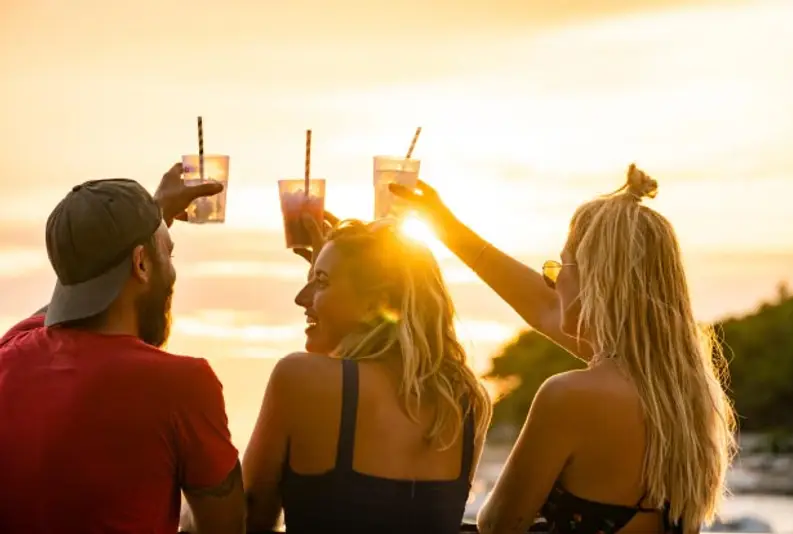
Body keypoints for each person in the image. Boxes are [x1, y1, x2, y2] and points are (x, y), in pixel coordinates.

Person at [391, 165, 737, 534]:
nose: (551, 281)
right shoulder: (686, 394)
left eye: (560, 265)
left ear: (594, 281)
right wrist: (443, 225)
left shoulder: (572, 395)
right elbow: (542, 308)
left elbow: (498, 523)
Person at [0, 164, 245, 534]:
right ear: (141, 263)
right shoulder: (183, 385)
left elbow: (66, 297)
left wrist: (149, 217)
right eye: (169, 255)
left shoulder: (8, 355)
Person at [242, 217, 493, 533]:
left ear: (378, 300)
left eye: (320, 281)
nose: (301, 298)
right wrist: (338, 269)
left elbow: (249, 517)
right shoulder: (463, 400)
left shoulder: (300, 378)